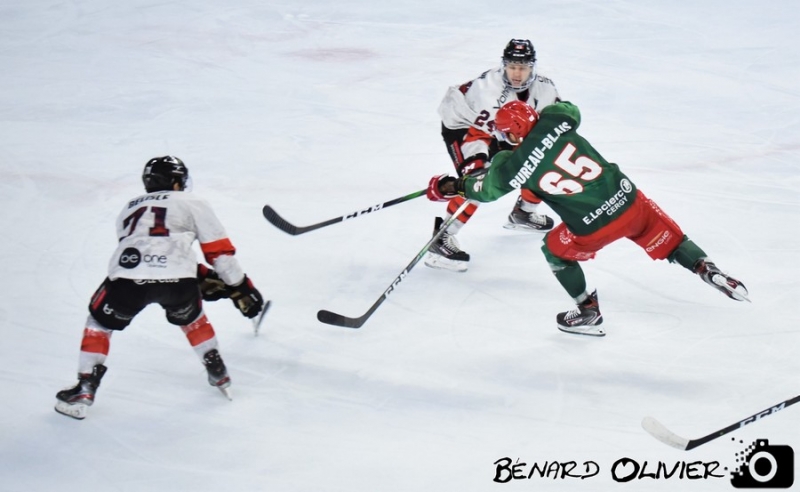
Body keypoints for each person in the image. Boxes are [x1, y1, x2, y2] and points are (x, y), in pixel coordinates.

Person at [426, 101, 749, 336]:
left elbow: (484, 190)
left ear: (512, 135)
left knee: (554, 252)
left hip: (592, 226)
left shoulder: (512, 164)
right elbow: (570, 110)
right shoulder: (555, 120)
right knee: (673, 240)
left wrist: (449, 186)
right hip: (628, 200)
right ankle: (707, 269)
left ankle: (587, 311)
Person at [54, 156, 265, 419]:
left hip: (128, 280)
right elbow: (218, 253)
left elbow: (148, 248)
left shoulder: (128, 208)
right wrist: (240, 287)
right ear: (176, 181)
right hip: (179, 283)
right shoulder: (193, 202)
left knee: (99, 323)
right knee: (193, 319)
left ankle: (85, 387)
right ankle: (217, 369)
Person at [428, 38, 561, 272]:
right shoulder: (487, 92)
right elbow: (485, 133)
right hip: (465, 125)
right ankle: (442, 236)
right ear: (504, 65)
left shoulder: (546, 88)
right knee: (479, 181)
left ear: (532, 67)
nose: (517, 73)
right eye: (512, 67)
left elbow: (553, 123)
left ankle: (523, 213)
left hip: (503, 130)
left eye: (522, 67)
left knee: (542, 160)